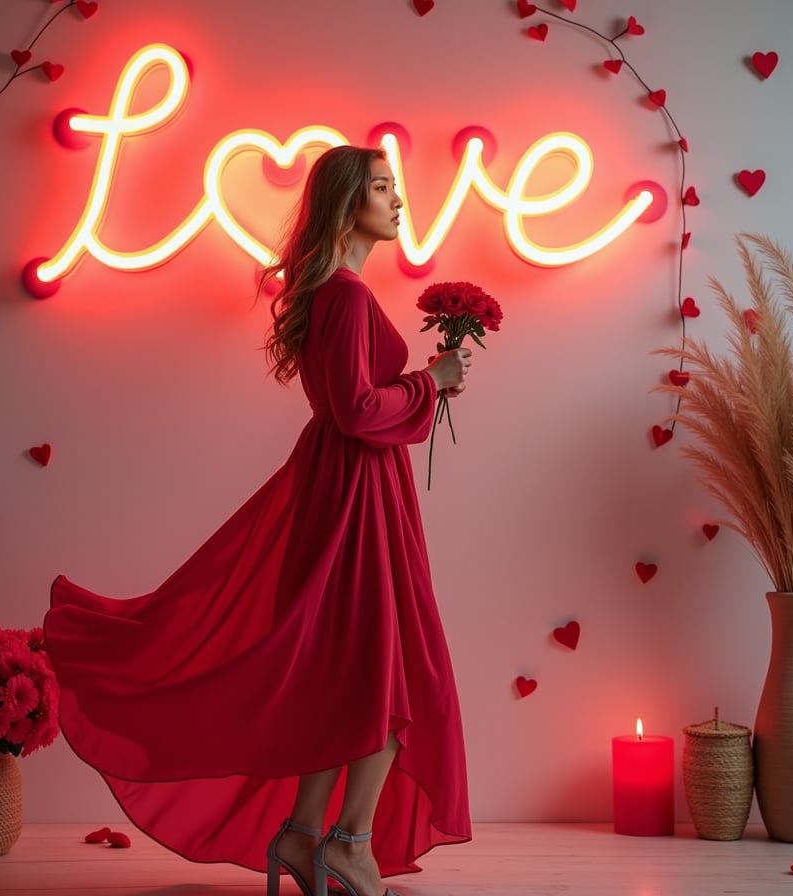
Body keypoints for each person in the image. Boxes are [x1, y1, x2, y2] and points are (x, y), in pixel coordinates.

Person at [43, 145, 472, 896]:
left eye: (395, 187)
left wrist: (423, 390)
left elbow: (361, 402)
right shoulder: (344, 297)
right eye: (381, 187)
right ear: (345, 204)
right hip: (354, 498)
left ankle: (308, 837)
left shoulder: (343, 295)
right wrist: (429, 381)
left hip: (357, 490)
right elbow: (356, 410)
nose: (399, 200)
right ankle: (350, 843)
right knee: (390, 672)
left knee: (354, 675)